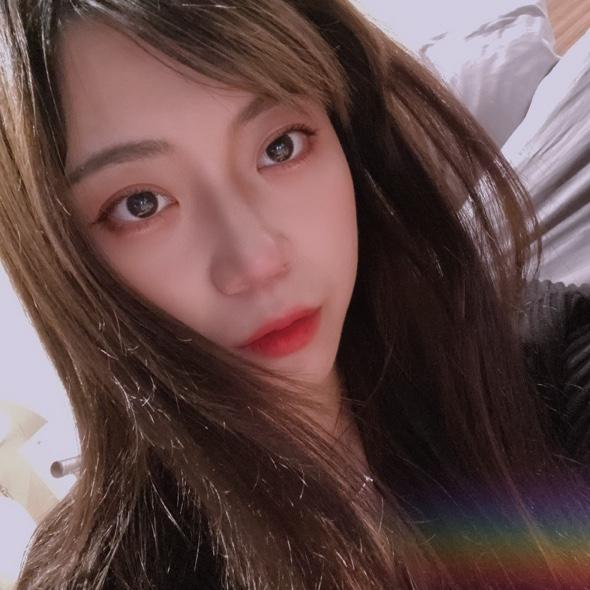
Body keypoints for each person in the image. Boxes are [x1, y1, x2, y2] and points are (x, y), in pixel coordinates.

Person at [0, 1, 588, 588]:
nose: (256, 262)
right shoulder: (108, 575)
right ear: (64, 263)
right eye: (141, 204)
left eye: (280, 146)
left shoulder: (534, 360)